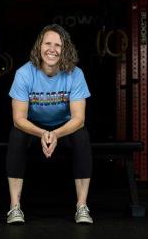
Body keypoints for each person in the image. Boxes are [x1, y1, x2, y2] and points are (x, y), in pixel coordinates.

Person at [6, 24, 93, 224]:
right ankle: (14, 207)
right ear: (39, 46)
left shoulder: (75, 74)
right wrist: (43, 133)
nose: (52, 49)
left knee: (82, 135)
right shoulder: (24, 74)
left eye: (58, 45)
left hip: (65, 126)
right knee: (16, 134)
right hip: (33, 126)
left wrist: (55, 134)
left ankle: (82, 206)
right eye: (47, 43)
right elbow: (19, 118)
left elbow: (79, 118)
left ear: (65, 50)